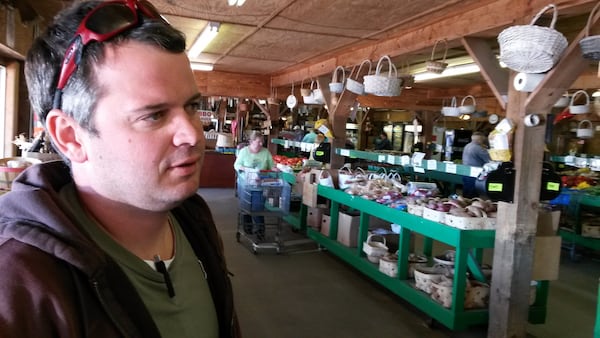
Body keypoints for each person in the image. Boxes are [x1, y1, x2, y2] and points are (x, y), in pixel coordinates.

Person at [0, 1, 240, 337]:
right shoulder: (19, 287)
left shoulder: (194, 219)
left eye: (191, 107)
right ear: (70, 137)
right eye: (153, 115)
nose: (192, 135)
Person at [234, 130, 276, 239]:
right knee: (245, 206)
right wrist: (245, 169)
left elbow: (271, 166)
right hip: (245, 185)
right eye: (259, 142)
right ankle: (247, 228)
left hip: (259, 185)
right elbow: (237, 165)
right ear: (251, 142)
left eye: (262, 142)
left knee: (258, 208)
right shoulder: (244, 152)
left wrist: (275, 169)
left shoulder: (266, 152)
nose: (261, 144)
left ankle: (260, 231)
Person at [461, 131, 491, 198]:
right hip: (475, 174)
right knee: (473, 194)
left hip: (466, 172)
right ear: (480, 140)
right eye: (482, 140)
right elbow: (489, 159)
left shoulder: (467, 146)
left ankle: (465, 205)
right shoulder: (478, 148)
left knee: (466, 192)